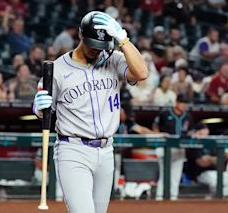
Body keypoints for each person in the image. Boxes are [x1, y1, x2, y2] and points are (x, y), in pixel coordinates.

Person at [33, 11, 148, 213]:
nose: (97, 50)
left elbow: (141, 73)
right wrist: (39, 107)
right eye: (93, 45)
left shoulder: (113, 59)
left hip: (106, 151)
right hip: (73, 149)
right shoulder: (58, 69)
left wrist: (123, 39)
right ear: (80, 35)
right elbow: (43, 109)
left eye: (102, 46)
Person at [152, 94, 195, 200]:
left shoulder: (188, 116)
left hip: (180, 149)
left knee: (175, 177)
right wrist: (158, 135)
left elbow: (191, 131)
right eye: (182, 102)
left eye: (185, 103)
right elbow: (155, 126)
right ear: (176, 102)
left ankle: (173, 200)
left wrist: (192, 135)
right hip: (165, 147)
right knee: (164, 175)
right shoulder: (165, 114)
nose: (183, 105)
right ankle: (159, 198)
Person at [185, 123, 228, 197]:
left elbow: (220, 161)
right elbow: (201, 162)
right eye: (201, 134)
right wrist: (213, 159)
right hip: (202, 174)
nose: (204, 137)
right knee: (215, 183)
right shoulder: (194, 145)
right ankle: (214, 197)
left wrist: (210, 159)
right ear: (195, 133)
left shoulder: (210, 144)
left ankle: (214, 197)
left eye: (206, 135)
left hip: (216, 172)